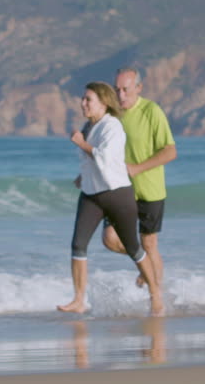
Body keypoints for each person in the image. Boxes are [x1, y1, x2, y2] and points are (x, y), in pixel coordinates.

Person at [58, 81, 164, 316]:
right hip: (91, 195)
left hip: (117, 195)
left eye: (88, 100)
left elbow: (105, 159)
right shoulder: (89, 126)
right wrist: (81, 176)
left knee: (133, 247)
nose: (83, 103)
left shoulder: (112, 127)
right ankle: (78, 300)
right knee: (78, 245)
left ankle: (156, 295)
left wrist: (81, 143)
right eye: (83, 99)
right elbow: (92, 162)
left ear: (103, 103)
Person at [101, 66, 177, 291]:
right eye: (117, 90)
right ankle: (144, 263)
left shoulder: (152, 111)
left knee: (149, 244)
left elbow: (170, 151)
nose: (121, 95)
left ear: (138, 88)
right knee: (110, 239)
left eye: (125, 90)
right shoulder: (111, 114)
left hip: (150, 190)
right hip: (119, 190)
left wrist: (138, 168)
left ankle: (157, 299)